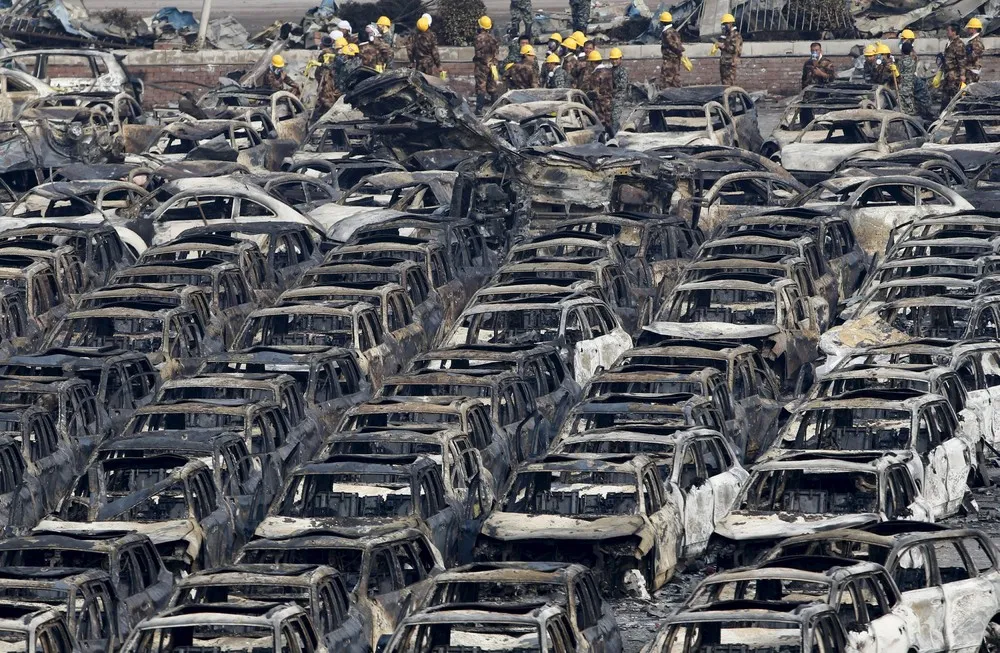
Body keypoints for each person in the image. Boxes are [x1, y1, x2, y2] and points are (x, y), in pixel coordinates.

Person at [474, 15, 501, 113]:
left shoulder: (478, 38)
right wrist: (492, 62)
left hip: (482, 66)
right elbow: (496, 53)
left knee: (481, 87)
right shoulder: (493, 38)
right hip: (493, 65)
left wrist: (484, 62)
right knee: (492, 86)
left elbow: (479, 54)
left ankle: (479, 110)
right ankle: (496, 109)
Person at [581, 50, 613, 132]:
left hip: (599, 103)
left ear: (592, 62)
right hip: (609, 100)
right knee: (608, 122)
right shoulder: (608, 72)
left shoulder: (595, 74)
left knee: (601, 123)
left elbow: (594, 92)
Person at [941, 22, 966, 111]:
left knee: (954, 95)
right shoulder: (949, 43)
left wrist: (962, 75)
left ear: (954, 32)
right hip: (948, 73)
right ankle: (944, 114)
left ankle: (955, 114)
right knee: (945, 95)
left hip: (954, 75)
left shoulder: (959, 44)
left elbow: (961, 60)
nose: (947, 32)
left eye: (948, 30)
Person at [659, 12, 684, 89]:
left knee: (667, 78)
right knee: (675, 77)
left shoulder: (667, 33)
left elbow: (674, 45)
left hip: (670, 59)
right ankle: (678, 94)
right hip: (674, 58)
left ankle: (667, 96)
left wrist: (680, 51)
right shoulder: (672, 31)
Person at [718, 13, 742, 86]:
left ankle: (732, 97)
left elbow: (735, 49)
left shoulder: (735, 35)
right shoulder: (726, 34)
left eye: (726, 24)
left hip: (730, 63)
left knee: (730, 82)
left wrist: (724, 46)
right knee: (724, 82)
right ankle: (727, 96)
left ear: (731, 23)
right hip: (724, 62)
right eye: (724, 24)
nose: (725, 26)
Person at [897, 40, 920, 116]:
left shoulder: (901, 61)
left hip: (903, 84)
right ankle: (911, 112)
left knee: (903, 100)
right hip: (910, 83)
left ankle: (904, 114)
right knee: (910, 98)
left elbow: (899, 72)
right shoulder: (913, 61)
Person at [609, 47, 629, 133]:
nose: (614, 61)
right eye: (612, 59)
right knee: (610, 118)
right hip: (611, 97)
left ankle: (616, 135)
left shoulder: (622, 70)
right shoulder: (611, 70)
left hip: (619, 97)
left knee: (615, 118)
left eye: (616, 59)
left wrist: (612, 88)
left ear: (620, 59)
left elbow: (622, 84)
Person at [966, 17, 984, 83]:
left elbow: (974, 56)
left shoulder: (976, 41)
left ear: (973, 29)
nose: (967, 30)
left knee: (969, 90)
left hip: (972, 70)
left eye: (969, 28)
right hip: (970, 69)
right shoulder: (972, 40)